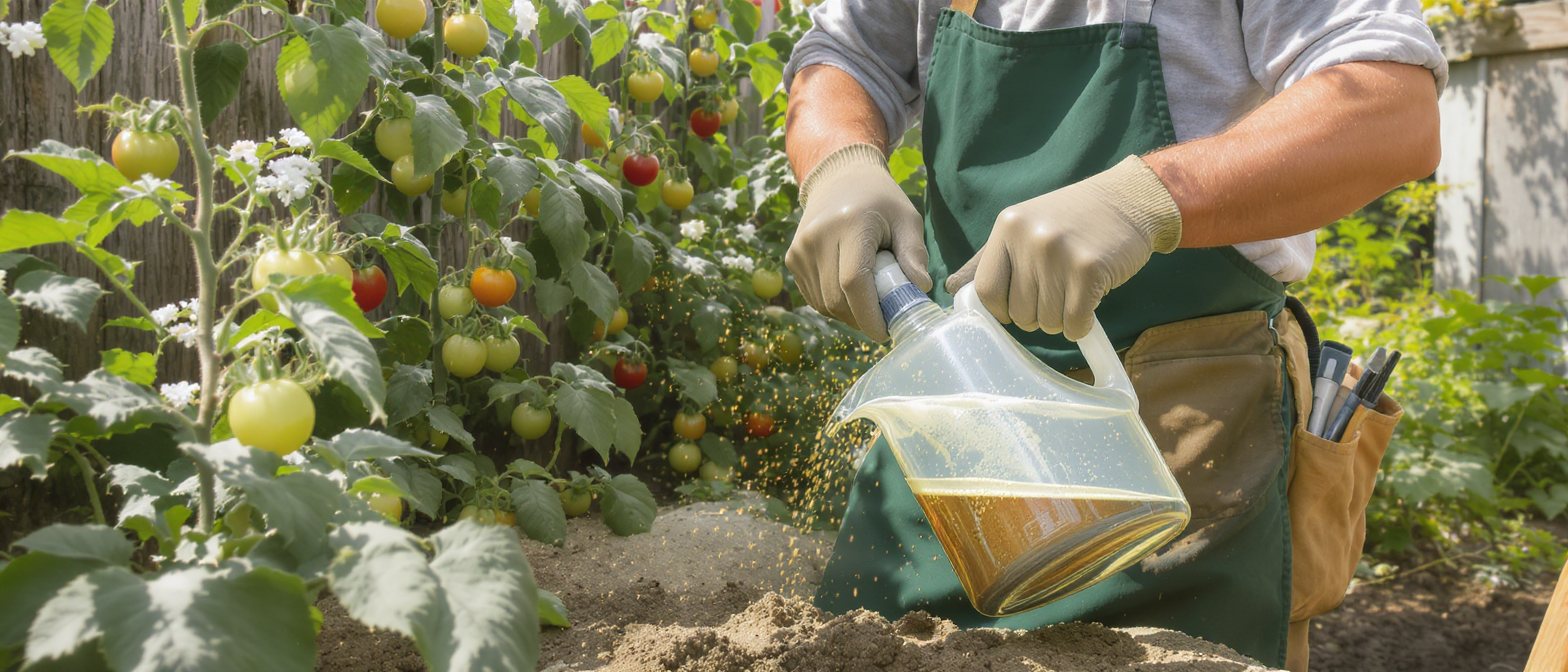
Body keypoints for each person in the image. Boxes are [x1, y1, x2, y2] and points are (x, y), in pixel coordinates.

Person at [780, 1, 1443, 669]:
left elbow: (1394, 107)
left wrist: (1150, 198)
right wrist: (841, 162)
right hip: (955, 444)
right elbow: (847, 56)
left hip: (1178, 464)